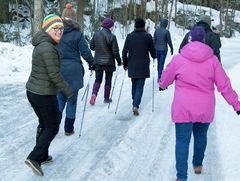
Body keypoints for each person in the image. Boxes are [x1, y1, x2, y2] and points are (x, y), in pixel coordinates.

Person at [159, 26, 240, 181]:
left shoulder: (179, 59)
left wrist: (162, 85)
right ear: (204, 40)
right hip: (205, 108)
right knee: (201, 135)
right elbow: (224, 85)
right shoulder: (213, 60)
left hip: (183, 107)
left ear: (190, 39)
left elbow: (166, 77)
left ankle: (181, 177)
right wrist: (237, 105)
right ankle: (197, 165)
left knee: (182, 141)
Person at [25, 14, 74, 176]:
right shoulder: (47, 47)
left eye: (61, 28)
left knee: (44, 124)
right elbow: (54, 75)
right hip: (43, 93)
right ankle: (35, 157)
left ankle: (43, 155)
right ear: (47, 29)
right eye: (56, 28)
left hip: (34, 91)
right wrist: (68, 91)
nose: (59, 31)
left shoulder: (44, 43)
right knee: (52, 126)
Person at [57, 17, 95, 136]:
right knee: (72, 101)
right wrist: (92, 63)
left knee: (59, 99)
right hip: (74, 72)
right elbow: (85, 52)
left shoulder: (56, 34)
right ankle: (68, 129)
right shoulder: (77, 34)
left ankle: (54, 127)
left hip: (58, 70)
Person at [122, 18, 156, 115]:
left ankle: (135, 102)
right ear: (144, 26)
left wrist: (125, 64)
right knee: (140, 86)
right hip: (143, 65)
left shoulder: (129, 37)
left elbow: (124, 52)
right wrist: (154, 56)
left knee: (134, 84)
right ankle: (135, 104)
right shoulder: (148, 36)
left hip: (132, 64)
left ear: (135, 25)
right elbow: (153, 52)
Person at [89, 18, 122, 105]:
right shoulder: (112, 36)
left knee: (98, 79)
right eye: (112, 26)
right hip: (109, 63)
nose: (113, 28)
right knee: (108, 80)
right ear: (109, 27)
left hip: (98, 62)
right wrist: (119, 61)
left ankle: (94, 94)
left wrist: (99, 48)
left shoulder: (96, 34)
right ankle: (106, 98)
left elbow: (91, 46)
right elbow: (115, 52)